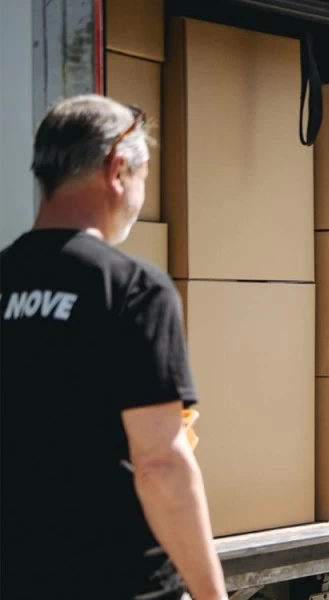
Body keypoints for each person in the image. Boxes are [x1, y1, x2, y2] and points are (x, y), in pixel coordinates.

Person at [1, 95, 227, 600]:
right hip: (120, 581)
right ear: (119, 169)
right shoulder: (133, 289)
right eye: (144, 178)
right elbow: (159, 464)